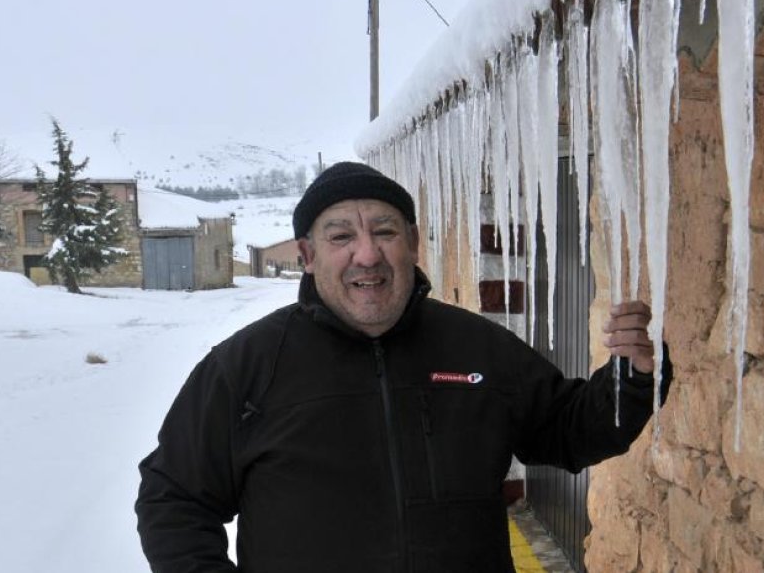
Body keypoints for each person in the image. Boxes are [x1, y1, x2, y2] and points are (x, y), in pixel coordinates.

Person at [135, 161, 671, 573]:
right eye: (341, 235)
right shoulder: (247, 365)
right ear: (307, 254)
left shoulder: (478, 348)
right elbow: (172, 496)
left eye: (385, 231)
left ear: (412, 244)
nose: (366, 254)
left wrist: (633, 377)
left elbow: (566, 430)